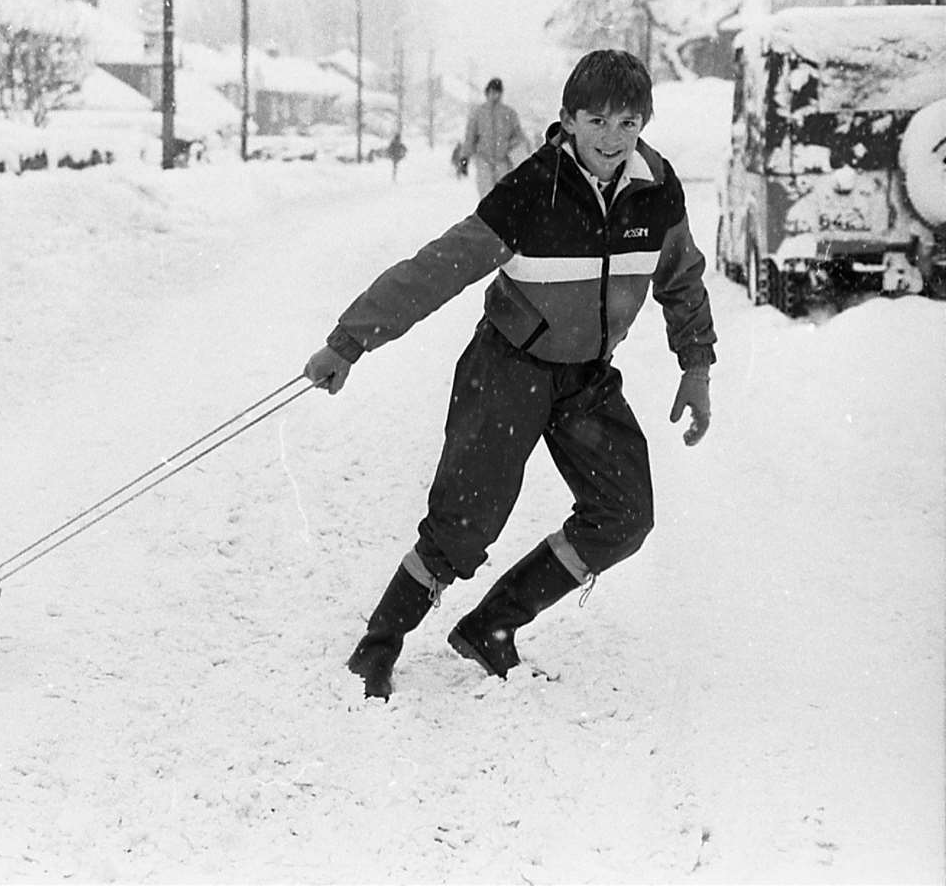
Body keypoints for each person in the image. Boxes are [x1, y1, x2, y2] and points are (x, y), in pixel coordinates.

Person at [302, 50, 716, 699]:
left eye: (627, 122)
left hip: (585, 375)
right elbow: (439, 268)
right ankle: (376, 647)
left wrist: (697, 366)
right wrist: (349, 341)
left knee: (624, 515)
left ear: (643, 122)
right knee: (464, 523)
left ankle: (491, 625)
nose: (612, 138)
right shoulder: (534, 188)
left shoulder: (657, 187)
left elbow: (680, 277)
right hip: (507, 366)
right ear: (568, 120)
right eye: (596, 120)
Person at [460, 77, 530, 198]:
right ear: (487, 93)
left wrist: (515, 149)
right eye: (492, 92)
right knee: (486, 194)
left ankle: (502, 216)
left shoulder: (508, 113)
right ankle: (487, 216)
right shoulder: (478, 113)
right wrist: (465, 157)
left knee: (503, 193)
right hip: (483, 159)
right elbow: (470, 137)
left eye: (497, 92)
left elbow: (519, 136)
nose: (494, 95)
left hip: (502, 160)